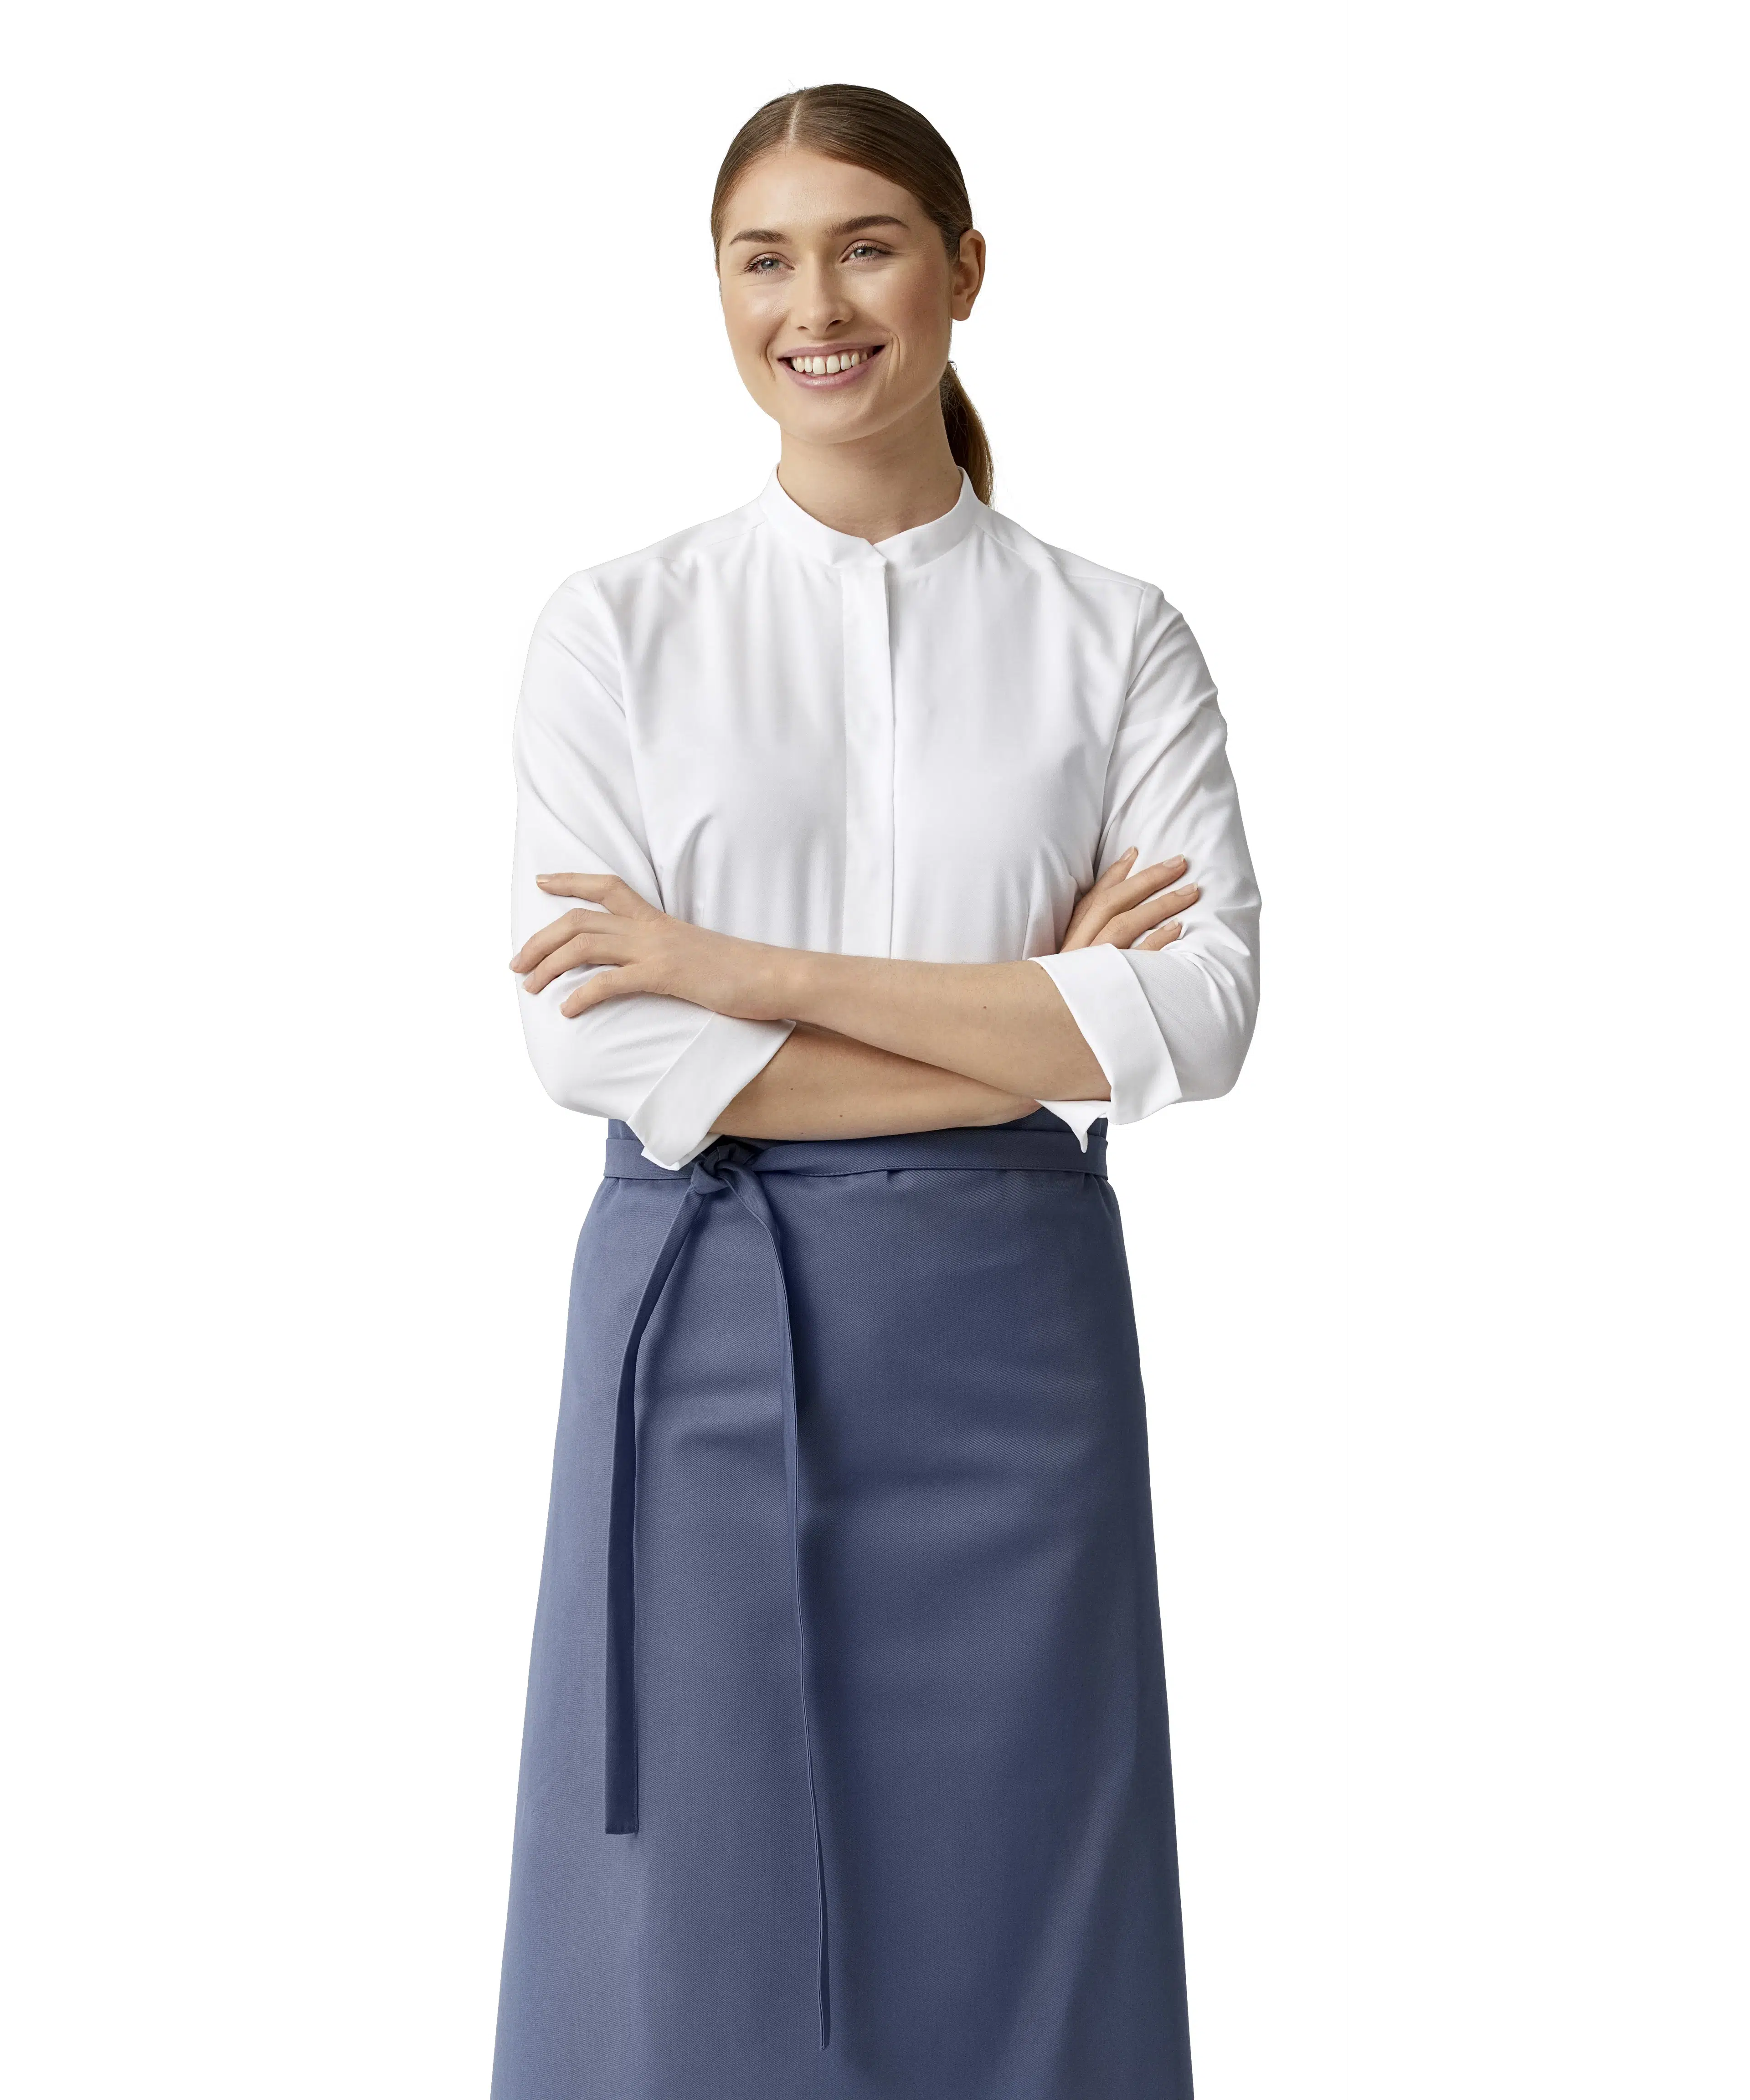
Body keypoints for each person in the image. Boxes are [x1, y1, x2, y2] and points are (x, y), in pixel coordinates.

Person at [493, 82, 1260, 2100]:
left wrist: (744, 979)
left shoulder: (1114, 636)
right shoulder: (615, 629)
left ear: (963, 271)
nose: (814, 306)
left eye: (867, 247)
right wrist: (1024, 1017)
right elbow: (596, 1043)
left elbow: (1197, 1018)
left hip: (1013, 1359)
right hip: (704, 1329)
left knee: (1029, 1884)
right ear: (718, 291)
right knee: (692, 1901)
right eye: (764, 259)